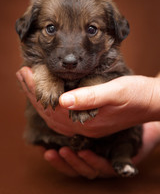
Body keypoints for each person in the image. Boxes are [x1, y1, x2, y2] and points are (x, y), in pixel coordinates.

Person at [16, 67, 160, 179]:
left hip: (116, 136)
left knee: (125, 143)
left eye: (91, 30)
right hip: (56, 139)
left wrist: (152, 97)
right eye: (51, 28)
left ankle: (121, 158)